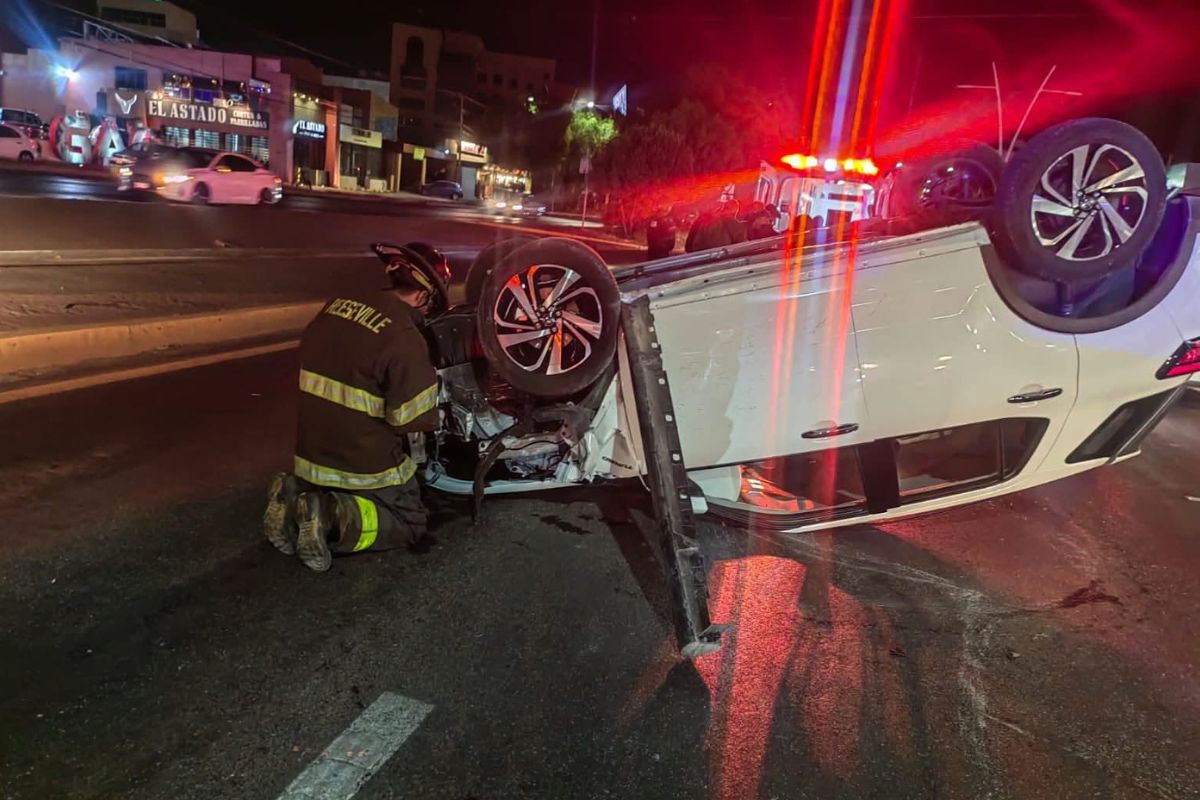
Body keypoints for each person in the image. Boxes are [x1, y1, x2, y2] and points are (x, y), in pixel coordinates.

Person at [263, 241, 450, 572]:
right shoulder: (404, 337)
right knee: (411, 522)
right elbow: (411, 420)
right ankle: (331, 515)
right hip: (358, 467)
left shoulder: (336, 305)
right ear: (422, 296)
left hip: (310, 457)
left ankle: (294, 492)